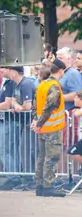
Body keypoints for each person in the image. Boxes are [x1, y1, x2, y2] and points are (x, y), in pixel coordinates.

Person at [30, 59, 67, 197]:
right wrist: (38, 123)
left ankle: (39, 185)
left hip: (43, 129)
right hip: (52, 128)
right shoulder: (54, 86)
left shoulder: (42, 85)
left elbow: (35, 106)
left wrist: (36, 121)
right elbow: (49, 107)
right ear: (61, 71)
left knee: (42, 157)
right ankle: (48, 185)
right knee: (52, 157)